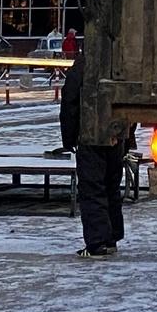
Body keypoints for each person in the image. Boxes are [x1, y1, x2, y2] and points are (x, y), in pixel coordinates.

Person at [59, 53, 127, 258]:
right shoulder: (119, 61)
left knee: (92, 189)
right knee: (111, 187)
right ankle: (112, 237)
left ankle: (97, 243)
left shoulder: (83, 64)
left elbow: (70, 100)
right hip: (116, 135)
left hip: (90, 134)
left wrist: (69, 139)